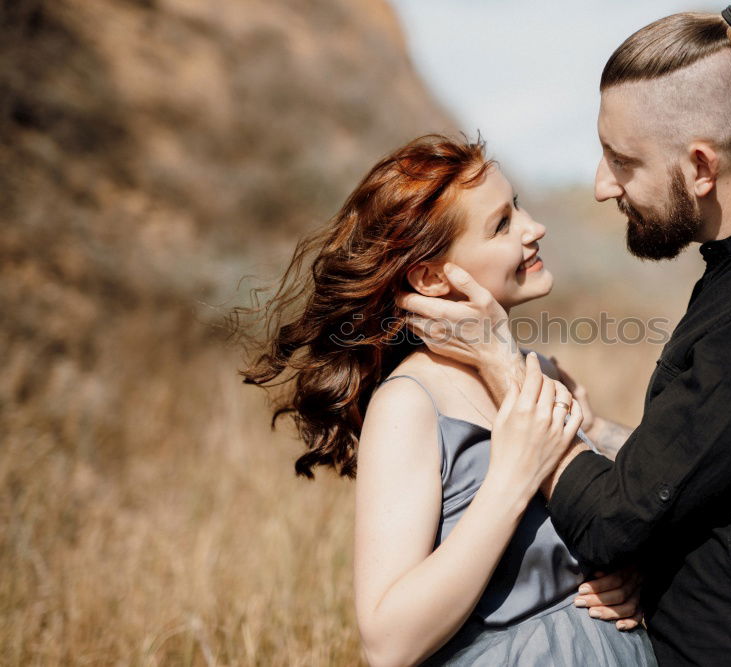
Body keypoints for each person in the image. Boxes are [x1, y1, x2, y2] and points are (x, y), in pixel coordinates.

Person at [397, 1, 731, 665]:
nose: (603, 185)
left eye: (621, 160)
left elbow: (611, 524)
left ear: (699, 167)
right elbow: (717, 461)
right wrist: (595, 430)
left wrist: (501, 361)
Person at [235, 135, 657, 665]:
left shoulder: (540, 370)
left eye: (518, 206)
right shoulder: (408, 405)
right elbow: (388, 643)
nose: (534, 228)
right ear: (431, 277)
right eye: (502, 224)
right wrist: (512, 477)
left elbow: (620, 515)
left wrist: (633, 572)